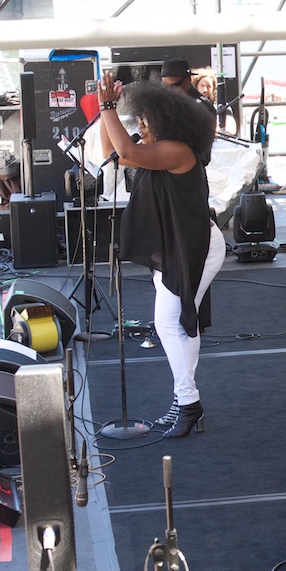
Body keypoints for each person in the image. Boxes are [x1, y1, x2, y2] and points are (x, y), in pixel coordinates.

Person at [98, 73, 226, 438]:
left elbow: (128, 153)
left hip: (195, 247)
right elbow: (115, 151)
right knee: (177, 321)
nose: (140, 125)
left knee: (172, 322)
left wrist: (108, 105)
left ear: (167, 121)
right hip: (174, 245)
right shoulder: (155, 146)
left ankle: (188, 403)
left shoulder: (176, 151)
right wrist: (106, 110)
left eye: (145, 119)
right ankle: (184, 400)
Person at [161, 57, 218, 123]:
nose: (168, 90)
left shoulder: (202, 108)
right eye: (164, 86)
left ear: (187, 81)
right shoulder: (162, 102)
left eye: (173, 86)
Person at [192, 68, 237, 134]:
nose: (205, 90)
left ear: (214, 88)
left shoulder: (222, 105)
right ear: (196, 86)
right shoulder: (190, 105)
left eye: (208, 86)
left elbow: (231, 128)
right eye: (202, 86)